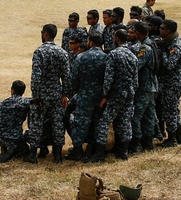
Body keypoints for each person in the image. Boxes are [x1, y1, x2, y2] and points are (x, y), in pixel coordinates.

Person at [91, 28, 137, 162]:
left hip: (116, 93)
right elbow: (135, 78)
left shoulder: (114, 54)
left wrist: (105, 94)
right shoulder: (132, 55)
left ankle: (100, 153)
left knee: (105, 120)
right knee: (125, 120)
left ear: (116, 38)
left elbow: (109, 77)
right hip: (129, 92)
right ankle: (123, 152)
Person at [28, 23, 71, 163]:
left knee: (36, 124)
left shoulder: (39, 52)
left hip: (42, 95)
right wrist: (65, 94)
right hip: (57, 94)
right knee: (58, 124)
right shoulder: (62, 52)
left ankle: (33, 155)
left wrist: (35, 96)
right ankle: (57, 155)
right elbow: (66, 76)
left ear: (46, 34)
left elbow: (36, 76)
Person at [68, 33, 106, 161]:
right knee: (98, 124)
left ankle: (77, 151)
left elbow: (74, 79)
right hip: (100, 97)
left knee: (80, 124)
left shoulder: (81, 57)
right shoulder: (106, 57)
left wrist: (77, 90)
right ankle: (93, 149)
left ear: (90, 42)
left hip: (84, 96)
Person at [129, 21, 159, 154]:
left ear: (138, 33)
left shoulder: (144, 48)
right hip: (151, 86)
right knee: (149, 115)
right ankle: (148, 142)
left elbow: (136, 65)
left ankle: (138, 144)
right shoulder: (150, 44)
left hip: (145, 87)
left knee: (136, 116)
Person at [156, 19, 181, 148]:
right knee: (173, 109)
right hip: (168, 81)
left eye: (162, 28)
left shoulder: (175, 46)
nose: (160, 30)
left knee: (170, 110)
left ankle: (172, 138)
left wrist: (162, 51)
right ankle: (178, 136)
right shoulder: (169, 42)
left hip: (172, 82)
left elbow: (169, 64)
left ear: (168, 31)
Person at [0, 80, 34, 163]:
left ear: (12, 90)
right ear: (23, 92)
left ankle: (4, 148)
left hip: (1, 135)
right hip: (15, 137)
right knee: (25, 149)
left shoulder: (1, 103)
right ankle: (14, 149)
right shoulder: (25, 103)